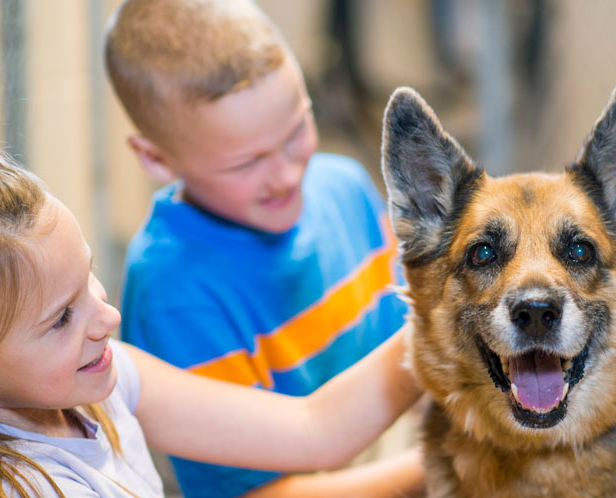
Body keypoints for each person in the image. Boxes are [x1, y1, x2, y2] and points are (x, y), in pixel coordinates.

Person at [0, 149, 421, 498]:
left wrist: (444, 328)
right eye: (62, 317)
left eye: (89, 278)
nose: (108, 316)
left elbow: (316, 430)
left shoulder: (95, 378)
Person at [103, 1, 416, 496]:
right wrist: (446, 466)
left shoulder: (346, 186)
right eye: (245, 163)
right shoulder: (175, 291)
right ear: (156, 158)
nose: (287, 174)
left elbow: (411, 352)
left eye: (296, 130)